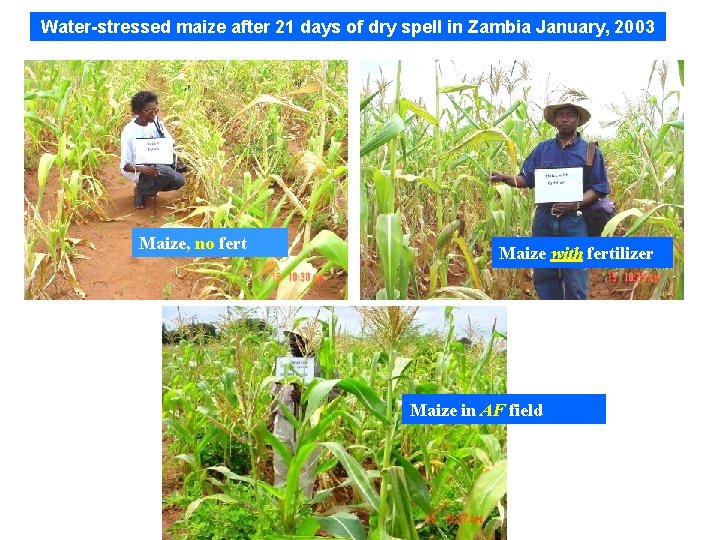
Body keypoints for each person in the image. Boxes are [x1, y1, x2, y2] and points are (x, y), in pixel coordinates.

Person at [490, 102, 610, 300]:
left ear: (578, 120)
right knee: (544, 276)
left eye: (570, 115)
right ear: (554, 121)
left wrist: (575, 203)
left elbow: (598, 188)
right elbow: (526, 179)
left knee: (575, 277)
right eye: (560, 115)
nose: (565, 118)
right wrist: (505, 178)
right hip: (544, 220)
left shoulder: (590, 151)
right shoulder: (543, 149)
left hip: (575, 221)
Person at [268, 327, 339, 499]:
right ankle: (280, 509)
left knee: (305, 472)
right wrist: (271, 416)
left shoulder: (324, 365)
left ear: (310, 342)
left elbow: (335, 395)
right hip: (282, 422)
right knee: (280, 468)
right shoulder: (285, 362)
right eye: (290, 339)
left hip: (308, 425)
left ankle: (302, 510)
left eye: (296, 339)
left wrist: (308, 398)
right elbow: (274, 390)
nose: (292, 343)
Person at [119, 91, 185, 209]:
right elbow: (125, 166)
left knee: (179, 180)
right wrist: (143, 169)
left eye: (156, 111)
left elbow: (170, 142)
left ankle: (148, 188)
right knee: (167, 173)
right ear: (138, 111)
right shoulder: (129, 132)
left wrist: (182, 154)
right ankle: (141, 190)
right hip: (138, 169)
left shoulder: (156, 123)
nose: (154, 114)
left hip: (157, 164)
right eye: (150, 112)